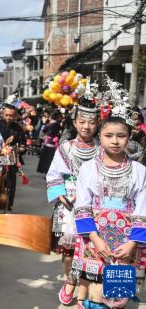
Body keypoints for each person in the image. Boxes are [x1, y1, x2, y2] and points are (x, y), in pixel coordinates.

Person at [73, 78, 146, 308]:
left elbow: (143, 207)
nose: (115, 141)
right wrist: (94, 238)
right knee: (94, 293)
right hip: (95, 237)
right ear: (100, 137)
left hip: (126, 240)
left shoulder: (139, 170)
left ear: (129, 136)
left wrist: (133, 243)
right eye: (108, 135)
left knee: (117, 299)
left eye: (121, 135)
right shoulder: (88, 168)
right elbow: (82, 205)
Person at [46, 92, 99, 307]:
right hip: (68, 208)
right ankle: (70, 279)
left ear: (98, 124)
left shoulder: (102, 150)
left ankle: (83, 291)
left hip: (94, 206)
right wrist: (64, 195)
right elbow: (53, 175)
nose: (86, 126)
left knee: (90, 251)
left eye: (92, 122)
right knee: (68, 254)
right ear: (75, 122)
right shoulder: (65, 148)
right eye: (82, 121)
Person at [0, 101, 26, 211]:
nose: (8, 117)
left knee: (11, 182)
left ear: (15, 116)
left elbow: (23, 145)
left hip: (12, 158)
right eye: (6, 115)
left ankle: (9, 204)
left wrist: (18, 149)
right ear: (3, 114)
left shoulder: (18, 128)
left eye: (11, 116)